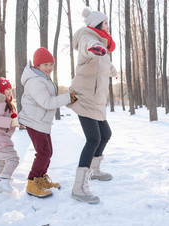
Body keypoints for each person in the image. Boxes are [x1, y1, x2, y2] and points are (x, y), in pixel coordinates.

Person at [67, 7, 117, 204]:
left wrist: (114, 71)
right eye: (105, 23)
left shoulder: (102, 46)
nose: (108, 26)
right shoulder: (88, 37)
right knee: (93, 138)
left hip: (96, 100)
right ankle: (78, 188)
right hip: (85, 97)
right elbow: (90, 46)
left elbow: (105, 62)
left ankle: (94, 170)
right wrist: (94, 49)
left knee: (105, 135)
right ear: (96, 24)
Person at [18, 47, 77, 198]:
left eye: (51, 64)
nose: (49, 68)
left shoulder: (42, 78)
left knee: (48, 152)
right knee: (43, 153)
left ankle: (41, 179)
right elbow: (47, 102)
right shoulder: (35, 81)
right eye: (45, 65)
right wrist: (68, 97)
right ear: (37, 66)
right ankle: (32, 182)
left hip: (41, 122)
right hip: (34, 121)